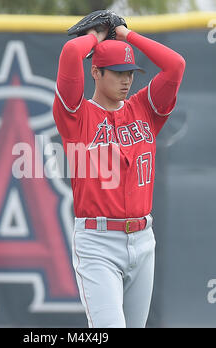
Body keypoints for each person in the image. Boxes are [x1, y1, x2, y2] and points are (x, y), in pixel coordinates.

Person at [53, 23, 185, 328]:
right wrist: (97, 36)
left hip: (143, 240)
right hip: (98, 243)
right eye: (116, 71)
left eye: (129, 72)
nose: (125, 79)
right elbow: (71, 52)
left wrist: (127, 35)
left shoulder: (145, 109)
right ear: (95, 72)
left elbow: (176, 65)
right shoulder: (76, 115)